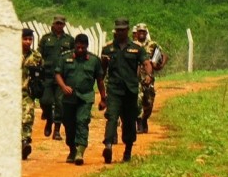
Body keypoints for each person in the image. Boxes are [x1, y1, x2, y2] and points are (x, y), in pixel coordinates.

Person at [100, 18, 153, 163]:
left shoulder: (136, 48)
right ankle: (108, 146)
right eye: (118, 29)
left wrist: (148, 75)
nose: (120, 32)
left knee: (129, 122)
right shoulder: (108, 49)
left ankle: (128, 150)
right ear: (115, 30)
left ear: (128, 30)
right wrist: (102, 94)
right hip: (114, 90)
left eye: (123, 29)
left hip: (130, 91)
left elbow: (146, 63)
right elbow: (102, 70)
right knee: (111, 117)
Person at [54, 34, 107, 166]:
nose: (80, 50)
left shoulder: (94, 61)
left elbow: (100, 81)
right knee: (69, 125)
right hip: (68, 98)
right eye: (78, 47)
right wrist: (63, 86)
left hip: (85, 97)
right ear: (75, 46)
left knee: (82, 122)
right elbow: (58, 74)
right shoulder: (65, 58)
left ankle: (80, 152)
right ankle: (72, 149)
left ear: (87, 46)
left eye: (83, 48)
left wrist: (103, 98)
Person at [37, 15, 75, 141]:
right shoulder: (46, 39)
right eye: (56, 23)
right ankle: (49, 118)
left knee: (60, 104)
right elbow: (38, 56)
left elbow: (73, 57)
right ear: (53, 24)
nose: (58, 26)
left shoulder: (69, 40)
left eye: (61, 24)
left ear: (64, 25)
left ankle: (57, 130)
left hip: (62, 78)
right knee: (45, 101)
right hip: (47, 76)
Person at [132, 23, 168, 133]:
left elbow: (163, 56)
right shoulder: (131, 45)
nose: (142, 34)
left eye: (144, 32)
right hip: (135, 78)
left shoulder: (152, 45)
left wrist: (160, 65)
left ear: (146, 33)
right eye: (140, 32)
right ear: (136, 33)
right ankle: (138, 122)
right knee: (136, 101)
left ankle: (144, 119)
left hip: (148, 78)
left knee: (149, 102)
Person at [21, 28, 43, 160]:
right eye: (25, 39)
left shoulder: (36, 56)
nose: (28, 42)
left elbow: (41, 74)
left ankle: (25, 141)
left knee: (28, 116)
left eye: (30, 39)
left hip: (27, 92)